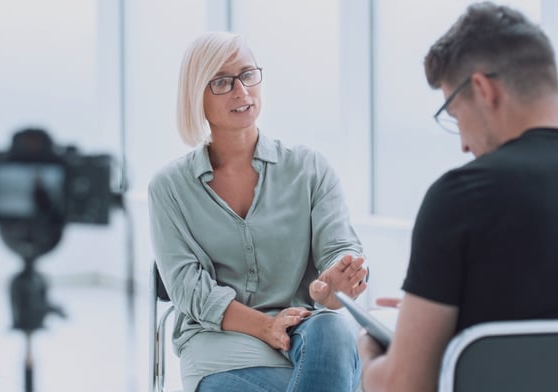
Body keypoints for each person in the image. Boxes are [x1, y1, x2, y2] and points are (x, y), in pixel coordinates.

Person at [148, 31, 369, 392]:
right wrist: (264, 326)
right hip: (219, 343)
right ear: (195, 95)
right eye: (222, 81)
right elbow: (189, 288)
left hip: (305, 334)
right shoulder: (169, 187)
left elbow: (339, 248)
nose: (242, 91)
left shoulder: (310, 168)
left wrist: (335, 282)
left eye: (248, 74)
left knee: (333, 328)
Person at [357, 2, 558, 391]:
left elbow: (405, 385)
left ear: (483, 90)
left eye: (454, 116)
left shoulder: (462, 197)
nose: (464, 144)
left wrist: (368, 353)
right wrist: (432, 319)